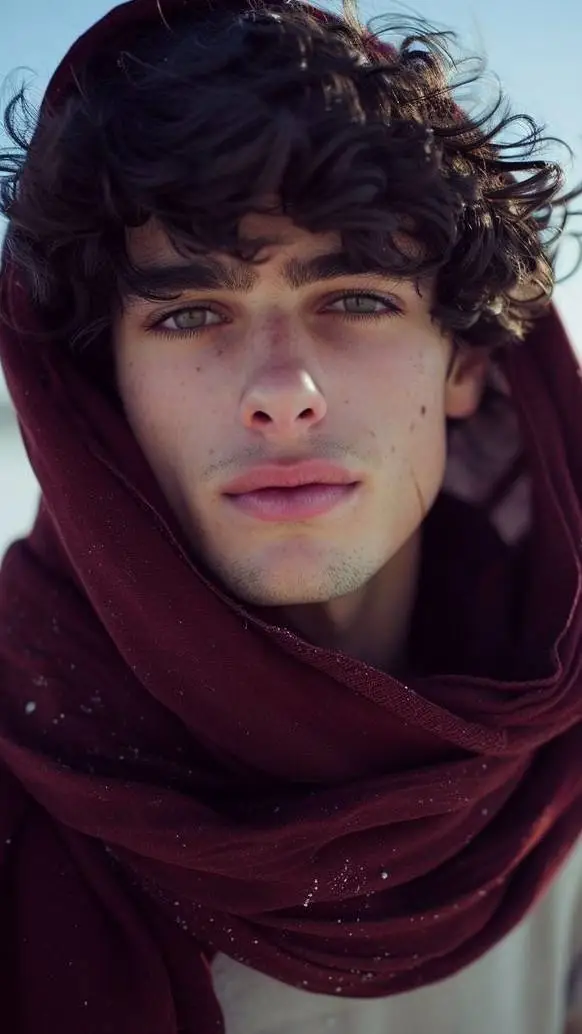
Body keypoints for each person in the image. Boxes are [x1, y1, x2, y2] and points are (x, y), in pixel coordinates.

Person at [1, 0, 582, 1030]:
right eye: (191, 313)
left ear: (464, 360)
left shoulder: (558, 772)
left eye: (355, 299)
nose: (283, 391)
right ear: (109, 386)